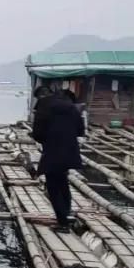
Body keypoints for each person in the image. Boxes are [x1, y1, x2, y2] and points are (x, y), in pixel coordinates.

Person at [30, 88, 85, 230]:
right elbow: (80, 130)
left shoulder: (43, 105)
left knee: (53, 185)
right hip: (70, 149)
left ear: (41, 95)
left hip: (53, 149)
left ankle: (63, 222)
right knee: (63, 181)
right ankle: (67, 213)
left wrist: (47, 139)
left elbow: (37, 133)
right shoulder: (70, 105)